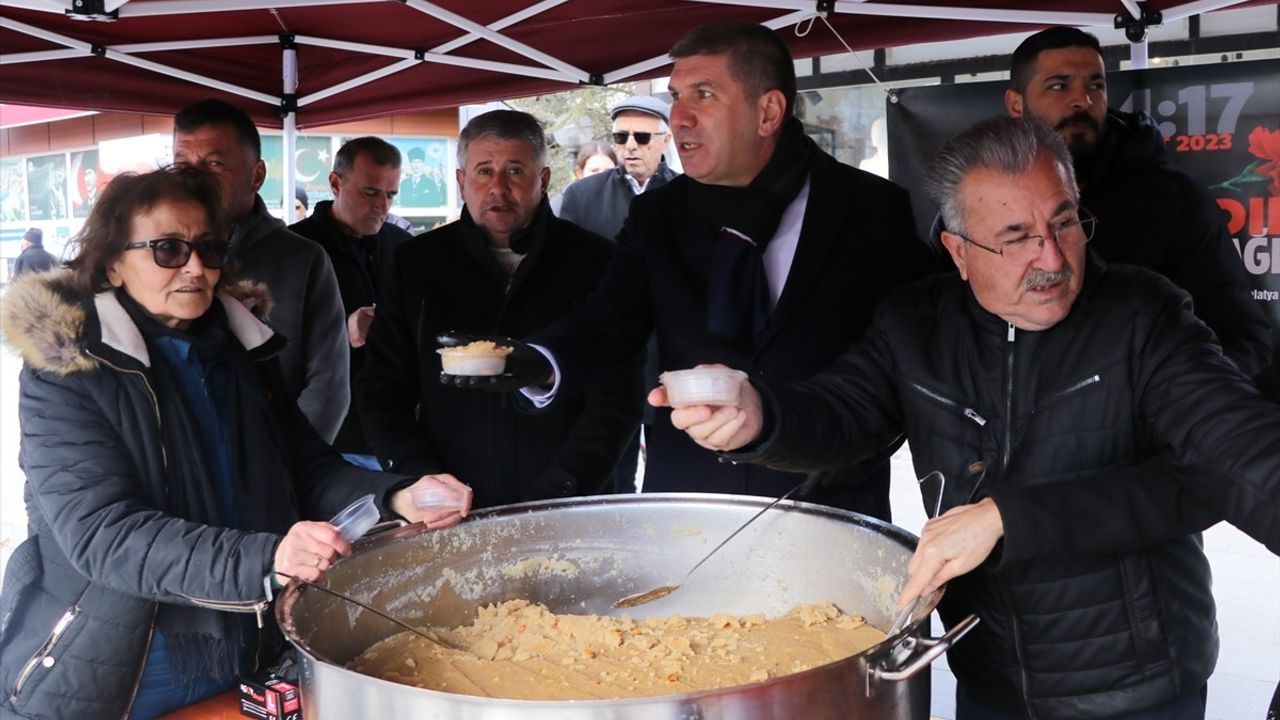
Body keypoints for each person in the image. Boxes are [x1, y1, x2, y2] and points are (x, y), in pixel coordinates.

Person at [660, 117, 1280, 720]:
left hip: (1134, 682)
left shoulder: (1144, 316)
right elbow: (842, 414)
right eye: (1014, 238)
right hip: (990, 677)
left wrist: (1008, 517)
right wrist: (759, 416)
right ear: (957, 251)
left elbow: (1238, 454)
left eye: (1064, 223)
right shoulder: (915, 324)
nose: (1053, 259)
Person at [0, 167, 470, 720]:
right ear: (112, 264)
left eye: (210, 247)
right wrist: (267, 558)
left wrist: (395, 497)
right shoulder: (68, 372)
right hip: (116, 668)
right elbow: (105, 534)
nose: (196, 267)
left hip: (248, 650)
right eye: (168, 249)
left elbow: (303, 468)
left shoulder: (240, 349)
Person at [457, 23, 934, 519]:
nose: (679, 117)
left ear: (768, 112)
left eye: (704, 95)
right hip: (692, 500)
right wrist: (541, 361)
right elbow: (610, 321)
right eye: (676, 96)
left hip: (827, 498)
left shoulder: (871, 211)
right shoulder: (658, 216)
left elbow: (908, 359)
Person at [358, 110, 643, 510]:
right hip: (448, 503)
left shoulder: (597, 260)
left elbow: (618, 398)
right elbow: (382, 391)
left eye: (514, 171)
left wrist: (563, 489)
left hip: (573, 499)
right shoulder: (415, 264)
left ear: (542, 180)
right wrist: (421, 476)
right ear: (461, 182)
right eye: (484, 171)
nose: (498, 188)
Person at [1004, 26, 1271, 377]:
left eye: (1095, 86)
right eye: (1060, 85)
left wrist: (1172, 402)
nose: (1082, 100)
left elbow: (1242, 336)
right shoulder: (979, 202)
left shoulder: (1173, 198)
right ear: (1016, 104)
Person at [173, 99, 350, 444]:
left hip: (279, 462)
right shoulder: (152, 256)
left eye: (215, 164)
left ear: (257, 176)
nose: (195, 179)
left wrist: (287, 466)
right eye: (183, 165)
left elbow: (328, 385)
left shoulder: (302, 258)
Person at [290, 136, 412, 468]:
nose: (383, 207)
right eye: (370, 192)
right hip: (331, 434)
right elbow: (272, 345)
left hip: (400, 429)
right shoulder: (295, 248)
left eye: (390, 195)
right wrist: (341, 334)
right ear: (335, 183)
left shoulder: (402, 246)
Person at [557, 95, 680, 241]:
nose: (630, 145)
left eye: (642, 137)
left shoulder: (690, 194)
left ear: (665, 141)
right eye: (621, 136)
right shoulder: (580, 195)